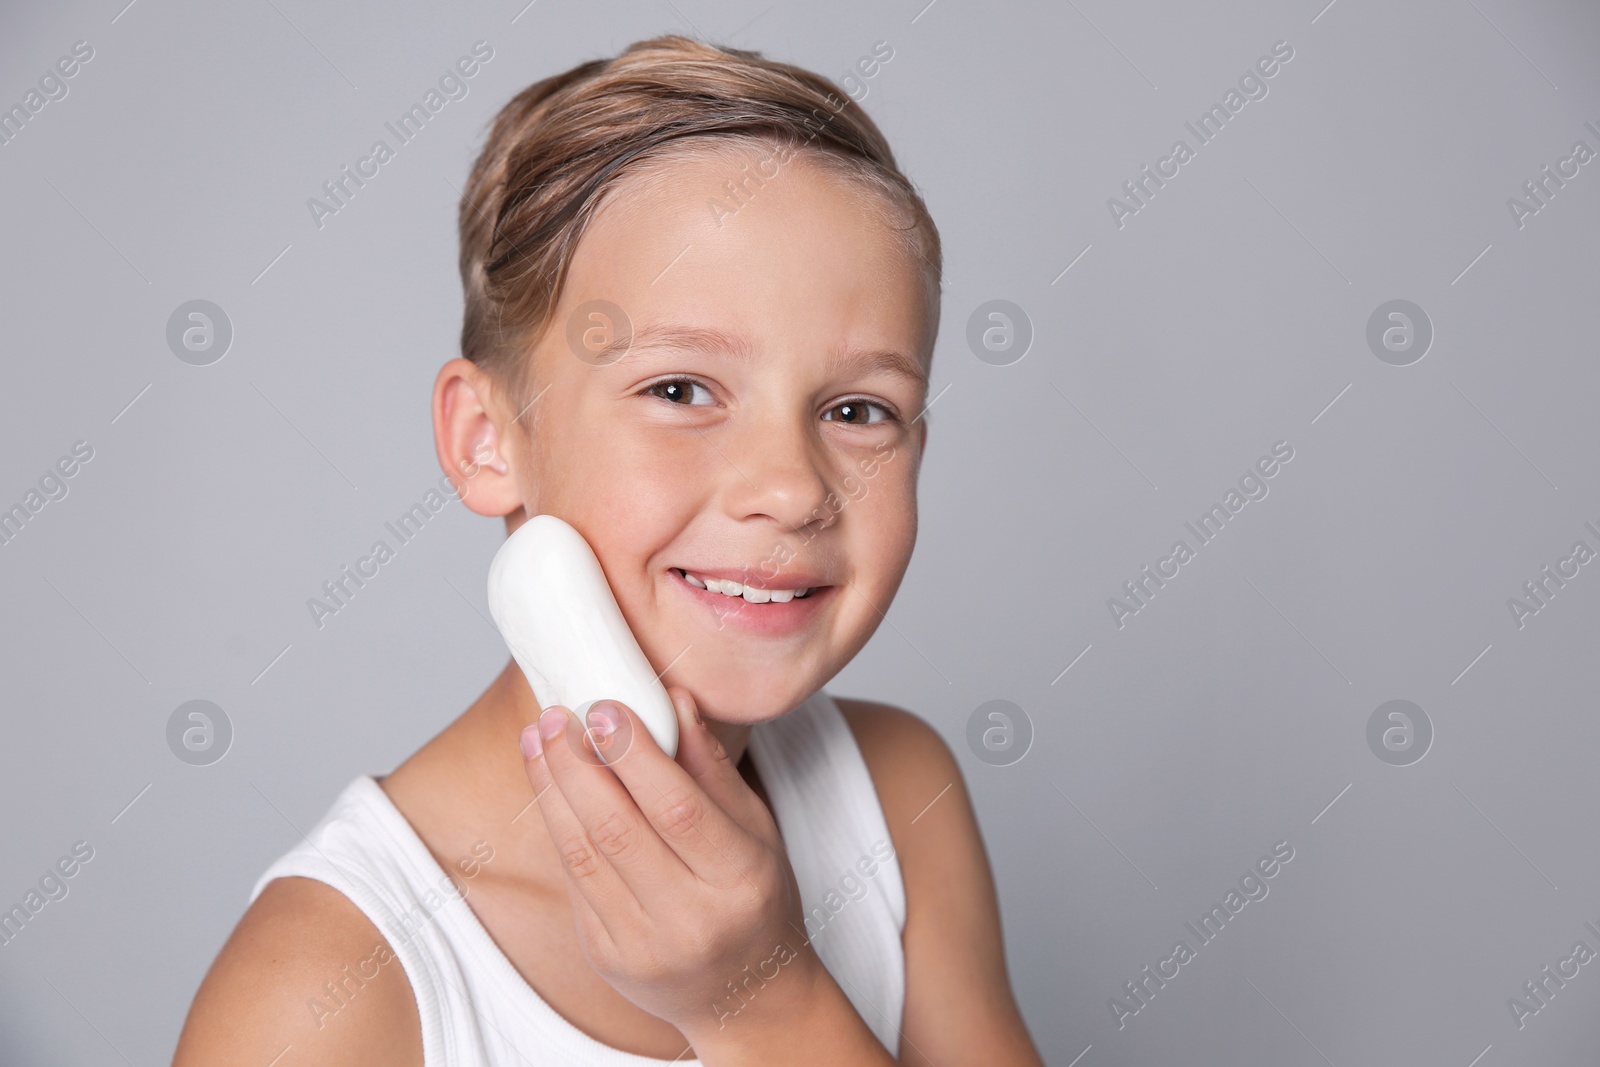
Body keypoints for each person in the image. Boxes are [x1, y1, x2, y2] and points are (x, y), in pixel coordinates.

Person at [173, 34, 1045, 1067]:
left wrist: (760, 1003)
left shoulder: (901, 796)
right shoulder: (321, 992)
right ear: (486, 439)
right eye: (679, 389)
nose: (793, 486)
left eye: (859, 409)